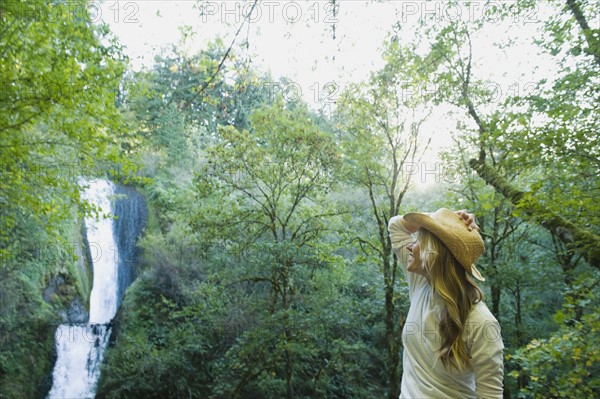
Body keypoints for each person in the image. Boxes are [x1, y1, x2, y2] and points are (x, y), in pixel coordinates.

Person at [388, 208, 504, 399]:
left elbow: (490, 395)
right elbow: (396, 225)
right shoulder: (421, 285)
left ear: (436, 253)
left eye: (419, 241)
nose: (410, 246)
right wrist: (449, 217)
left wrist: (445, 224)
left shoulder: (482, 322)